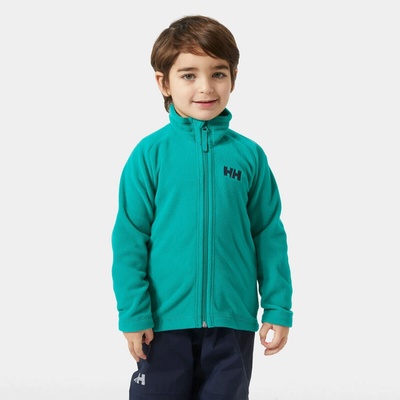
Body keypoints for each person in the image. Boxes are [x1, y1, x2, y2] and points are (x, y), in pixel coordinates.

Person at [111, 14, 293, 400]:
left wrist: (278, 307)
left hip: (232, 322)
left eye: (218, 74)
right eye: (189, 75)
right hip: (163, 324)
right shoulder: (149, 154)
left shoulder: (249, 156)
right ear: (164, 82)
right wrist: (134, 313)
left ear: (234, 78)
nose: (206, 87)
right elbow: (129, 239)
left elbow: (268, 234)